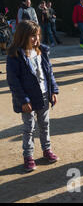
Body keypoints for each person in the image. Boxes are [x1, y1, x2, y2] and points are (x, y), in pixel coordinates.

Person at [6, 20, 59, 172]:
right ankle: (28, 156)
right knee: (29, 128)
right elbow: (13, 82)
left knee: (45, 125)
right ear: (22, 37)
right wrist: (23, 100)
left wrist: (53, 91)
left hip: (43, 94)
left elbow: (49, 73)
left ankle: (46, 150)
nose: (36, 39)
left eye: (37, 35)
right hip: (27, 99)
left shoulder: (42, 51)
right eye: (32, 36)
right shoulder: (14, 56)